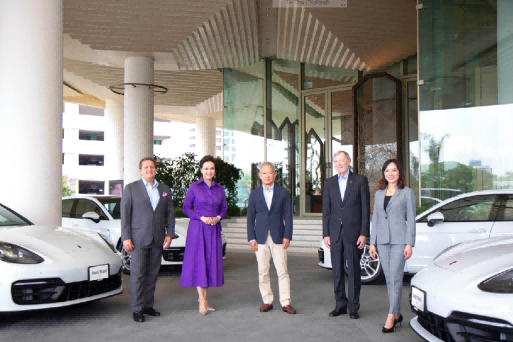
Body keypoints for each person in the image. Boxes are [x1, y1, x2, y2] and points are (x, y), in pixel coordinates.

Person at [121, 157, 175, 323]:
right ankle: (137, 309)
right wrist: (126, 237)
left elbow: (170, 214)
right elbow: (125, 215)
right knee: (138, 274)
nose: (149, 170)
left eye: (152, 167)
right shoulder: (131, 189)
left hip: (157, 238)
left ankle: (147, 305)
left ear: (155, 170)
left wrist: (169, 233)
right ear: (140, 170)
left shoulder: (164, 189)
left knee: (152, 274)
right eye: (146, 167)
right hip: (137, 239)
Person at [369, 159, 416, 333]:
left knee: (396, 278)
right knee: (389, 279)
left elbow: (411, 219)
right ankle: (396, 313)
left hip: (399, 241)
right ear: (384, 173)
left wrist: (409, 243)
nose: (390, 173)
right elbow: (376, 219)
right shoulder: (379, 194)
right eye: (387, 170)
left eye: (394, 170)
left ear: (399, 173)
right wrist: (372, 242)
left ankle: (391, 315)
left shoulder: (407, 193)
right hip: (382, 241)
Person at [322, 151, 370, 319]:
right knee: (337, 271)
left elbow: (365, 209)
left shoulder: (360, 181)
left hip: (354, 233)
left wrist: (364, 233)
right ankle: (340, 304)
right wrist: (325, 233)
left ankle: (353, 307)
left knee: (354, 271)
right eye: (336, 161)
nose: (339, 163)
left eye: (341, 160)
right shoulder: (329, 183)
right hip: (334, 234)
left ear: (349, 161)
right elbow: (326, 211)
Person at [179, 155, 227, 315]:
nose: (209, 171)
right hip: (198, 229)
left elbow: (224, 209)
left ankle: (205, 300)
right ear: (201, 170)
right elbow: (186, 208)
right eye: (206, 168)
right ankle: (202, 300)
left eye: (211, 168)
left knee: (209, 264)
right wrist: (201, 217)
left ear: (214, 170)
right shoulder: (194, 187)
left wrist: (218, 218)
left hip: (213, 230)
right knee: (199, 263)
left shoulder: (219, 189)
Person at [247, 162, 296, 314]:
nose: (267, 176)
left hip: (279, 236)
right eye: (264, 173)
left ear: (275, 175)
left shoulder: (283, 192)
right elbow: (250, 218)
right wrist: (251, 238)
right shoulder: (254, 194)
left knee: (282, 270)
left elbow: (288, 215)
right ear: (260, 175)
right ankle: (267, 300)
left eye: (270, 173)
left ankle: (286, 302)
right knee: (263, 271)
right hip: (260, 237)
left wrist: (288, 235)